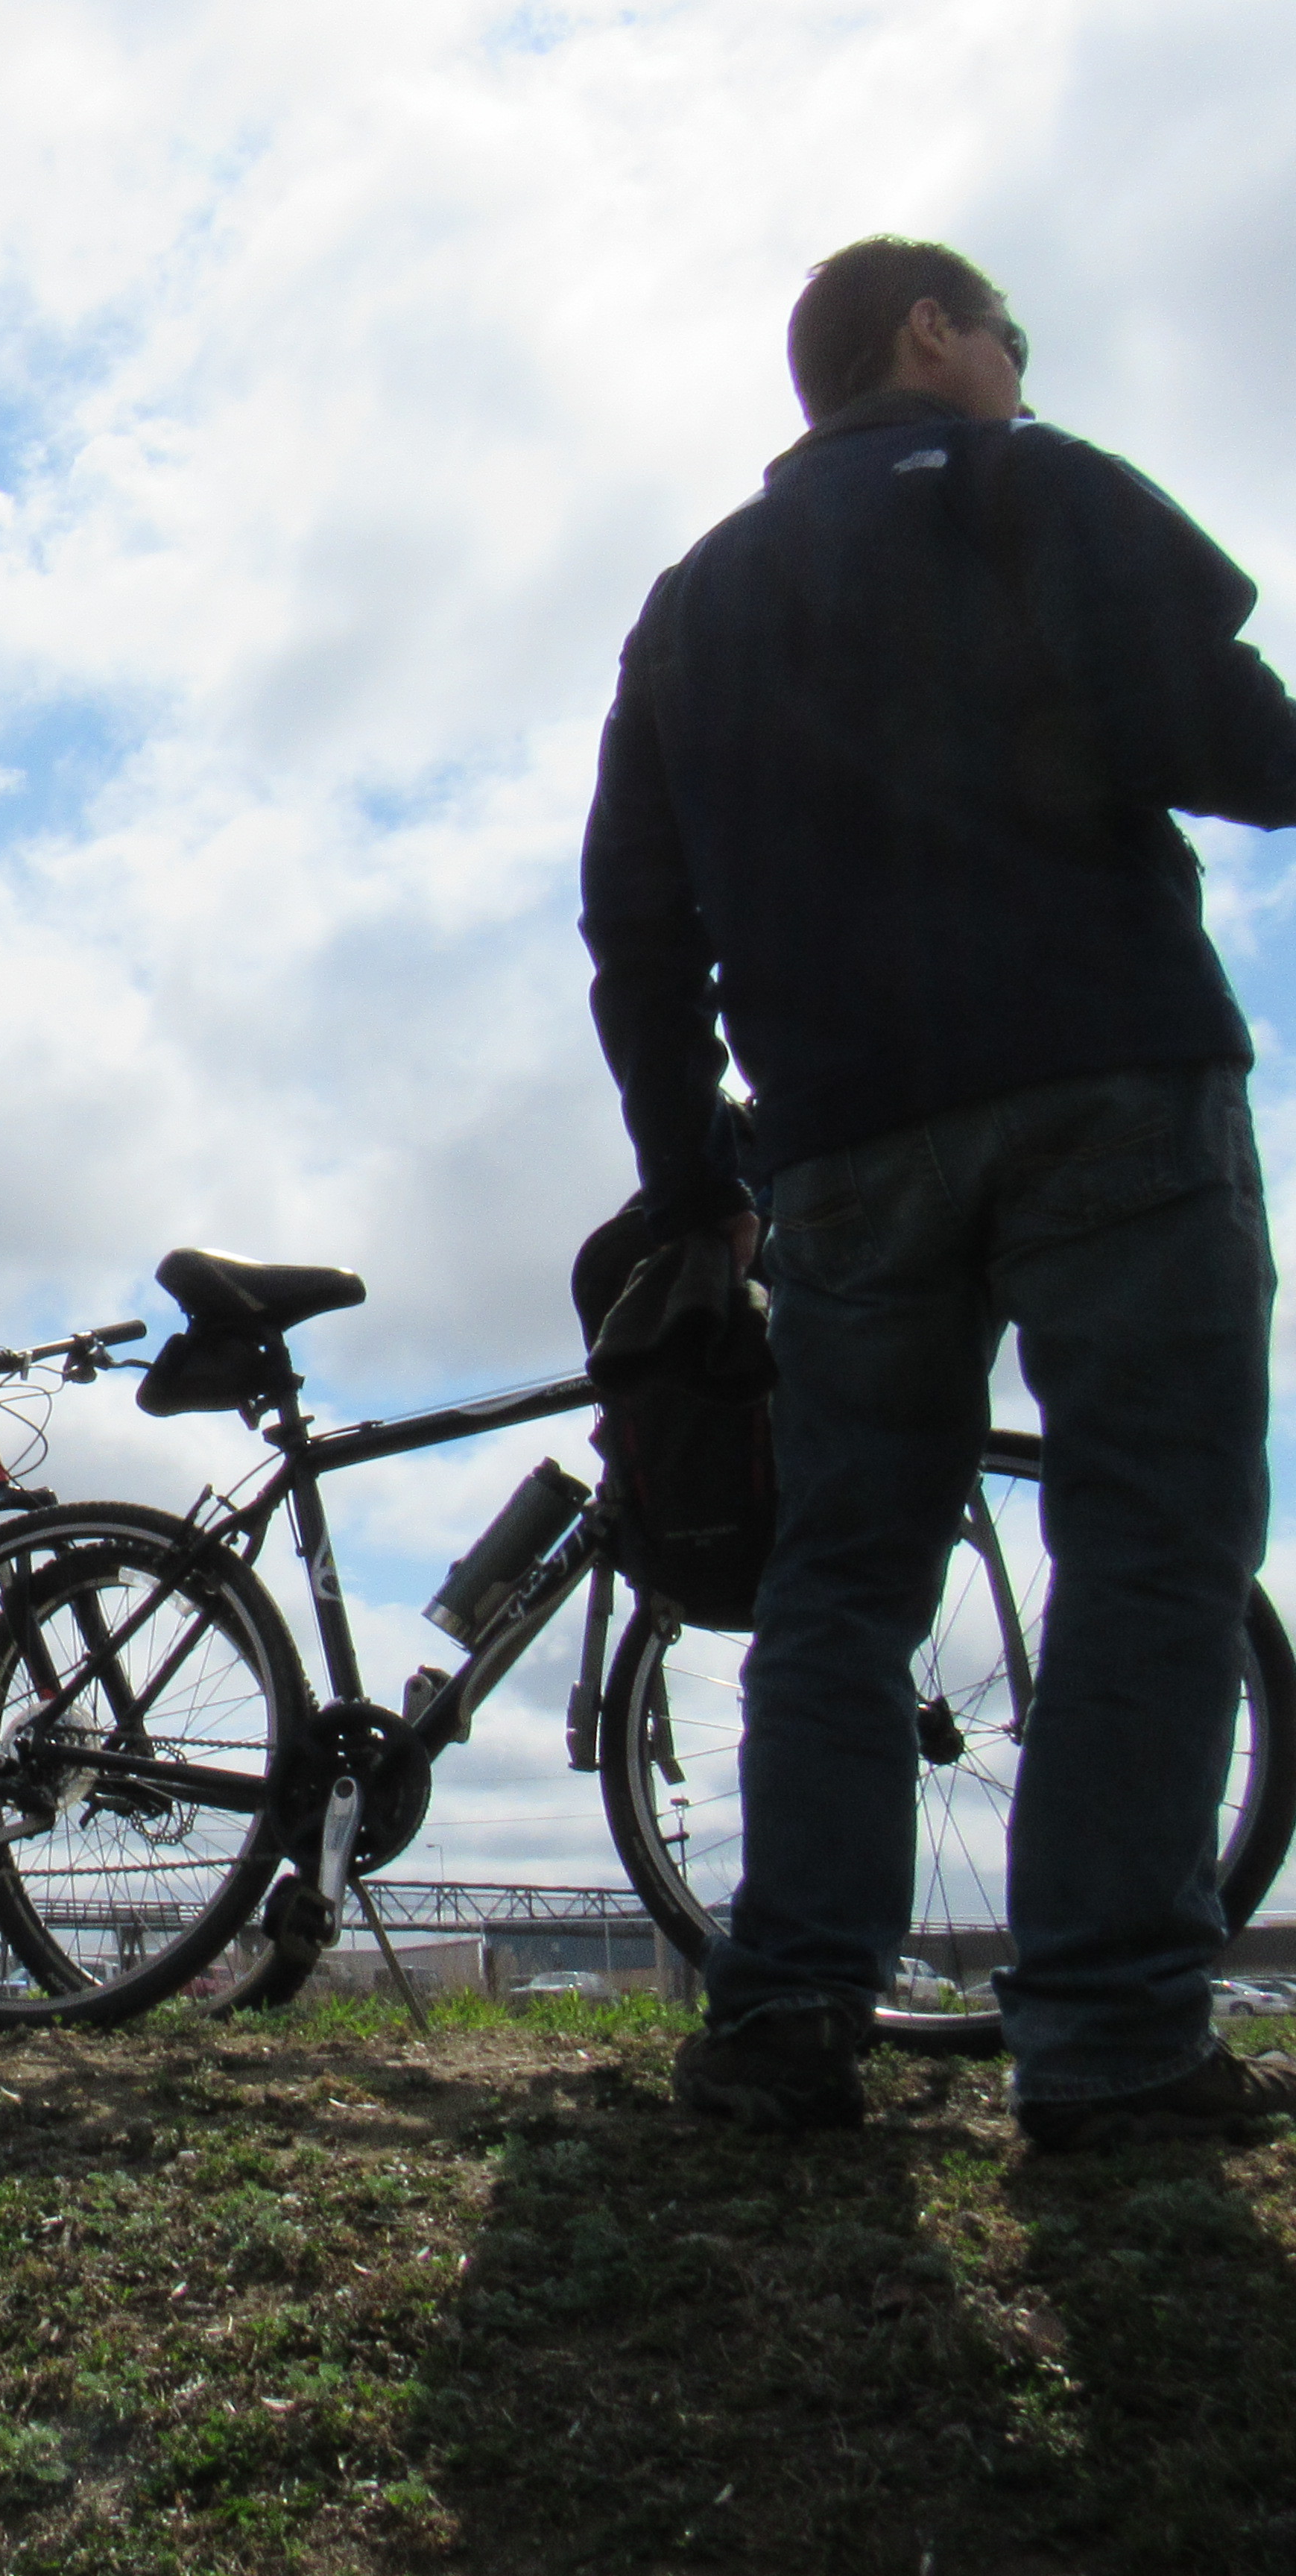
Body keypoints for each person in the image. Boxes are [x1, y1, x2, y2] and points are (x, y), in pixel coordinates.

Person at [578, 238, 1296, 2149]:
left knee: (841, 1575)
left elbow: (633, 935)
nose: (1015, 363)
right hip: (1105, 1084)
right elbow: (1222, 732)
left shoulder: (690, 602)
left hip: (838, 1146)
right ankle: (1115, 2035)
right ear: (929, 331)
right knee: (1150, 1538)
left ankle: (791, 2004)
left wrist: (692, 1179)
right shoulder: (1031, 486)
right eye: (1007, 330)